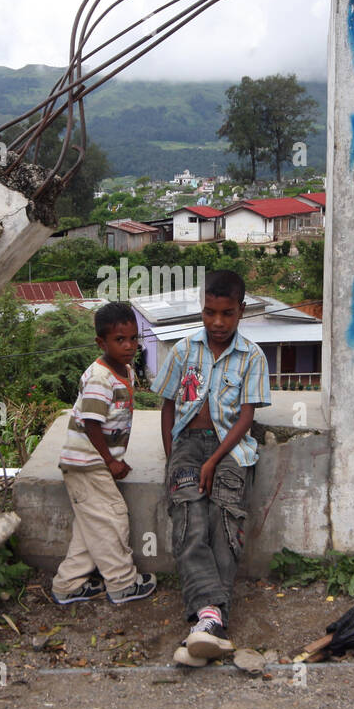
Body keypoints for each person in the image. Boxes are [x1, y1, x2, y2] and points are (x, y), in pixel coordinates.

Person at [151, 270, 270, 666]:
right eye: (209, 312)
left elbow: (246, 419)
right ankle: (212, 618)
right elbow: (168, 406)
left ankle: (207, 620)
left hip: (231, 450)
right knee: (190, 519)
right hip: (188, 447)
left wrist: (214, 460)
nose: (217, 322)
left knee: (225, 522)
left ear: (241, 312)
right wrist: (173, 457)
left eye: (227, 313)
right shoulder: (184, 350)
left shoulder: (252, 356)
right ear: (202, 310)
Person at [51, 301, 157, 606]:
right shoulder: (100, 378)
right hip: (88, 463)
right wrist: (110, 461)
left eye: (133, 338)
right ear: (101, 342)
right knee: (112, 518)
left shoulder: (124, 370)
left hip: (91, 462)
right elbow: (91, 423)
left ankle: (67, 585)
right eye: (119, 340)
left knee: (92, 527)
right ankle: (122, 584)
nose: (129, 346)